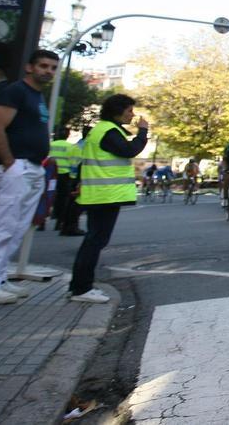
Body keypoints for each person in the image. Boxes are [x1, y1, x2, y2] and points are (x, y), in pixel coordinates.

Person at [0, 49, 59, 304]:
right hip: (15, 167)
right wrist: (9, 162)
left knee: (17, 228)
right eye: (43, 66)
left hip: (32, 167)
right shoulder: (15, 91)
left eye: (53, 67)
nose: (48, 71)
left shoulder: (37, 96)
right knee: (2, 226)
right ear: (30, 67)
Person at [69, 94, 148, 304]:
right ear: (117, 110)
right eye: (129, 110)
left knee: (95, 239)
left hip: (101, 193)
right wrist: (143, 131)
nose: (132, 114)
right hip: (104, 194)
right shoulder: (108, 131)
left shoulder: (102, 130)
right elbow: (130, 150)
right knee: (95, 240)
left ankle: (81, 285)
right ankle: (81, 287)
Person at [49, 127, 83, 235]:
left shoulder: (51, 145)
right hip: (64, 175)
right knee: (63, 199)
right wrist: (73, 178)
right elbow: (74, 163)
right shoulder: (71, 147)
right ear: (68, 135)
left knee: (48, 196)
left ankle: (41, 224)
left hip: (51, 175)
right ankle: (59, 222)